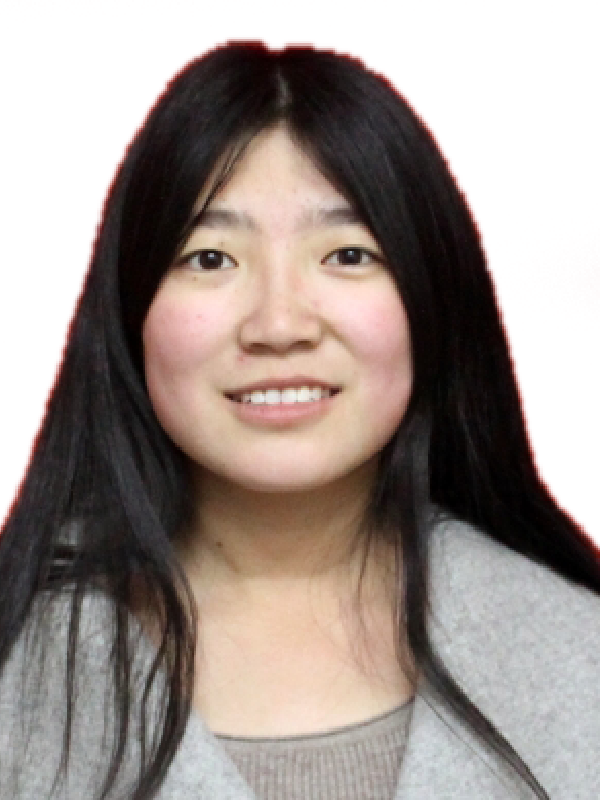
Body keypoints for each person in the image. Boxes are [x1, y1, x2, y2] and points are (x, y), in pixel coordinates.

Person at [0, 41, 598, 800]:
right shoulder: (18, 668)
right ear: (129, 312)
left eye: (347, 254)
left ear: (433, 298)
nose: (279, 324)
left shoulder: (578, 651)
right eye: (210, 258)